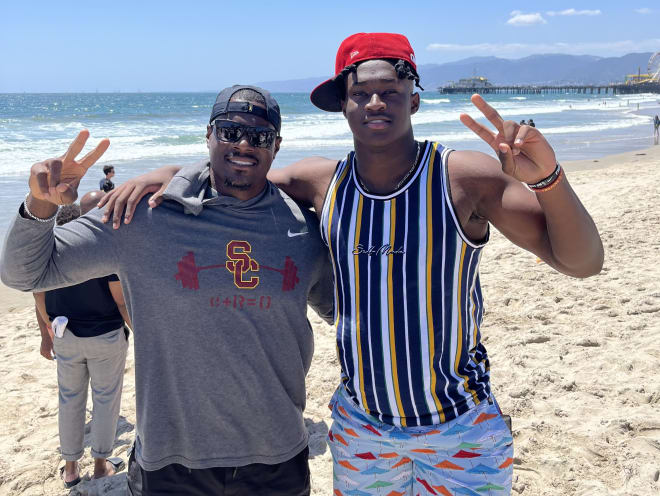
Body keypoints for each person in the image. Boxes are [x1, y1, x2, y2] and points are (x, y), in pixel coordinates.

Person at [100, 33, 603, 495]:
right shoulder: (323, 184)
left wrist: (549, 177)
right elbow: (240, 174)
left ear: (416, 97)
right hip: (363, 430)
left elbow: (582, 262)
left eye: (391, 88)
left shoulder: (463, 177)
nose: (376, 102)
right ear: (343, 104)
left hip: (460, 427)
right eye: (361, 92)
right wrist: (170, 173)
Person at [2, 85, 334, 495]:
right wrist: (40, 206)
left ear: (277, 146)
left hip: (277, 457)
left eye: (260, 136)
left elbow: (348, 313)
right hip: (171, 462)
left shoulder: (303, 228)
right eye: (230, 131)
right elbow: (26, 273)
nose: (244, 144)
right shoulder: (143, 213)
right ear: (208, 134)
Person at [33, 192, 130, 487]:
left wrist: (47, 332)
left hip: (66, 335)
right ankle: (100, 466)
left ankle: (71, 469)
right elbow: (122, 303)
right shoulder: (103, 250)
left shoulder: (49, 254)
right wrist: (139, 329)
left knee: (70, 400)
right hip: (105, 337)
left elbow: (38, 294)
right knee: (105, 399)